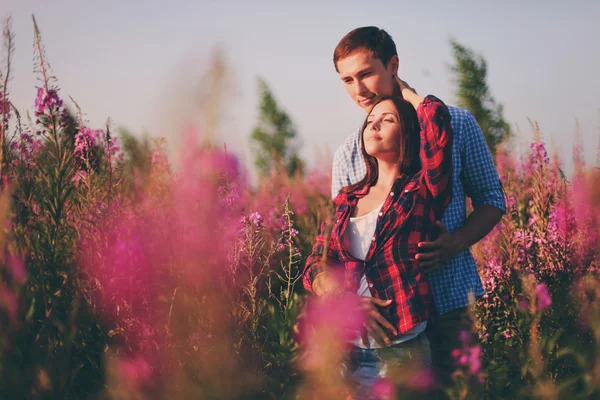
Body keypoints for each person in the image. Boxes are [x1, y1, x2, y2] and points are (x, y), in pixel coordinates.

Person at [329, 27, 506, 392]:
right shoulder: (349, 153)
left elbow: (492, 199)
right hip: (390, 324)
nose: (358, 89)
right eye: (347, 79)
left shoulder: (456, 124)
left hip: (450, 303)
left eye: (366, 73)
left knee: (461, 393)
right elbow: (339, 250)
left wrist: (454, 243)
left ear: (393, 64)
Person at [303, 89, 453, 399]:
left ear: (408, 132)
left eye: (387, 120)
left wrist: (404, 92)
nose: (374, 125)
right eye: (370, 120)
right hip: (346, 351)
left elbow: (437, 123)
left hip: (400, 351)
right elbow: (315, 264)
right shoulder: (347, 198)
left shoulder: (421, 189)